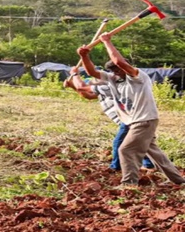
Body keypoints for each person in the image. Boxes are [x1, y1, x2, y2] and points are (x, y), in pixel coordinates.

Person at [77, 32, 185, 186]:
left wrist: (107, 42)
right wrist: (84, 56)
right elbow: (91, 72)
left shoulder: (138, 77)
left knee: (125, 150)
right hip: (133, 121)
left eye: (119, 69)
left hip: (144, 120)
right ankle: (179, 181)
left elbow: (119, 61)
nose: (117, 72)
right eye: (114, 70)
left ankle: (129, 184)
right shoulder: (113, 79)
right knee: (154, 152)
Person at [63, 67, 154, 171]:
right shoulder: (99, 86)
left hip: (129, 119)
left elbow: (82, 87)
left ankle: (116, 167)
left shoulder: (109, 84)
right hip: (128, 119)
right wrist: (73, 86)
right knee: (139, 141)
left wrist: (75, 75)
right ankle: (149, 164)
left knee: (119, 143)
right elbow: (88, 95)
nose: (92, 81)